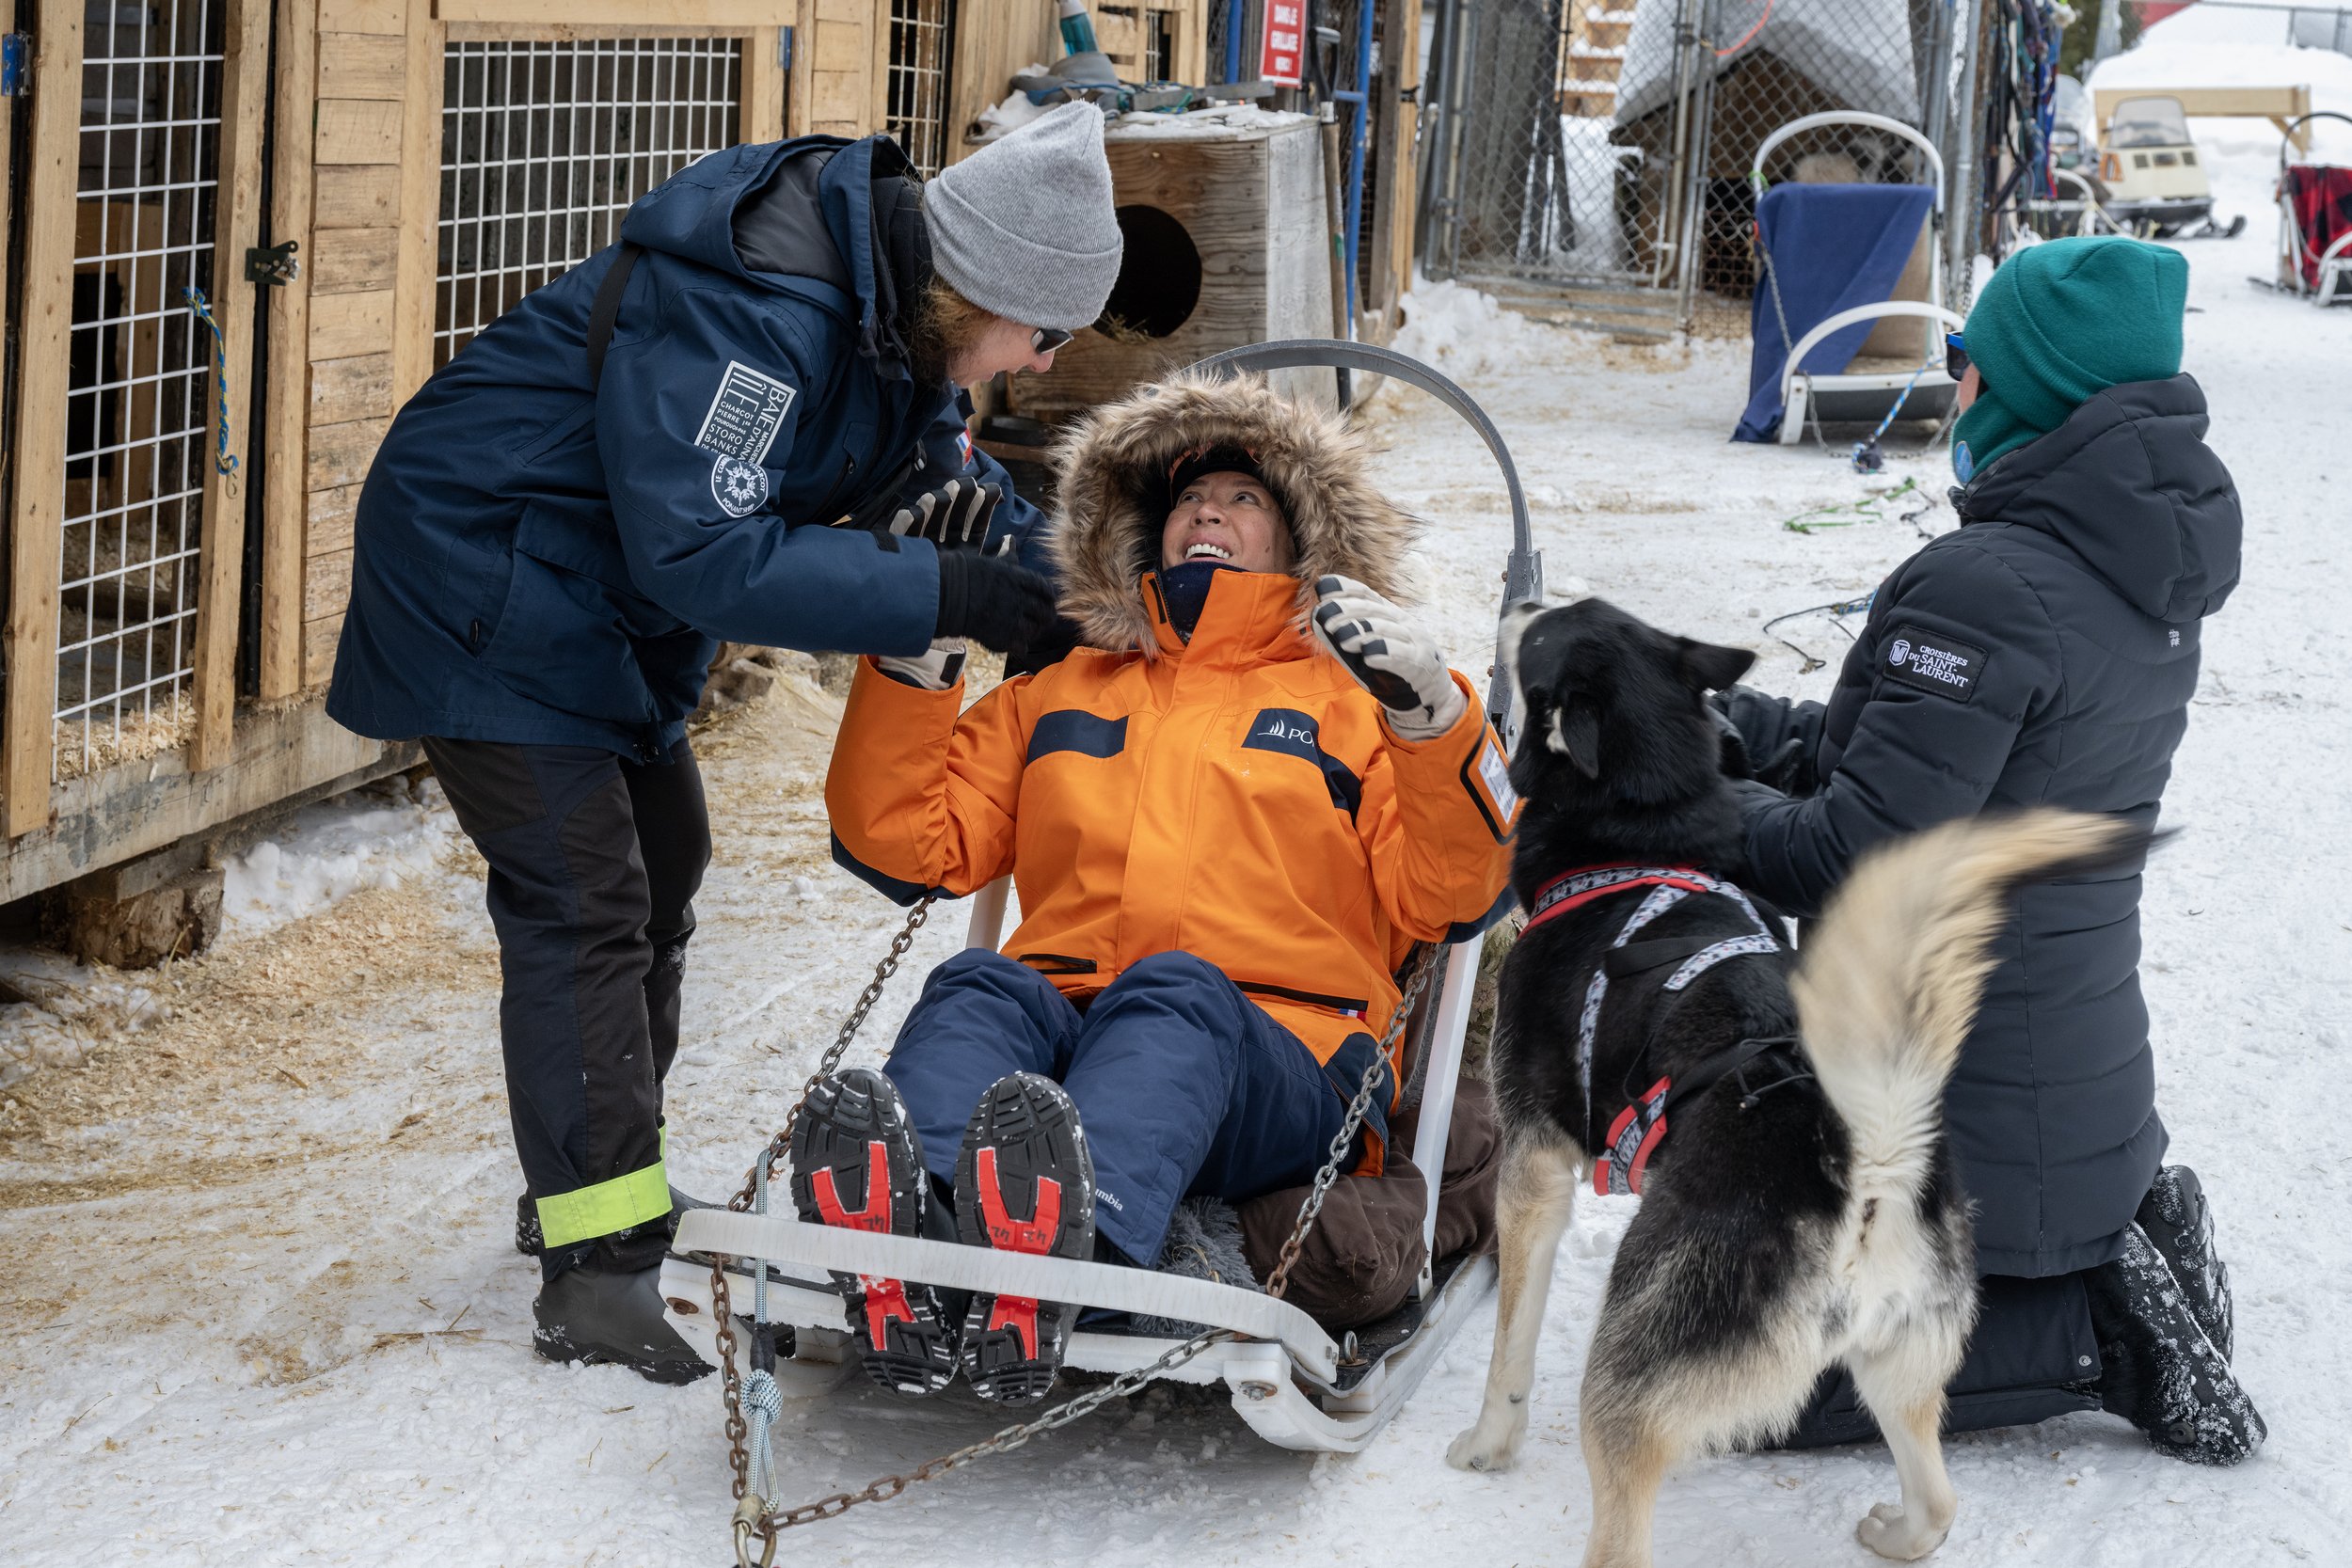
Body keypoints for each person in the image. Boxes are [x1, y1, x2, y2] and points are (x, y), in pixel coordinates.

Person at [325, 103, 1124, 1383]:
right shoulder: (759, 307)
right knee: (585, 891)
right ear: (986, 284)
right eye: (1045, 332)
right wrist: (950, 598)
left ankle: (615, 1184)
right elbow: (703, 548)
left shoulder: (901, 322)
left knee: (666, 854)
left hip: (592, 598)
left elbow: (936, 494)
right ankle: (593, 1267)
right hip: (485, 570)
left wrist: (1092, 583)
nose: (1035, 364)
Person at [800, 371, 1520, 1403]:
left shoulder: (1355, 706)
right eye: (1188, 499)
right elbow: (906, 844)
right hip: (1068, 1028)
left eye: (1243, 499)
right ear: (1144, 529)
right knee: (981, 988)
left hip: (1281, 1059)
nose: (1207, 514)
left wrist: (1430, 721)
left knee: (1174, 990)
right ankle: (908, 1234)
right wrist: (910, 668)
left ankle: (1069, 1259)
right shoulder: (1060, 690)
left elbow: (1451, 896)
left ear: (1302, 539)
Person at [1713, 235, 2263, 1464]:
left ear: (2024, 386)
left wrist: (1689, 818)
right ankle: (2127, 1237)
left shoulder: (1991, 585)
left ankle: (2096, 1326)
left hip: (1974, 1106)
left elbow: (1857, 851)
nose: (1950, 381)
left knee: (1751, 1380)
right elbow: (1910, 765)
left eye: (1967, 357)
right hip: (2066, 1090)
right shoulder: (2119, 567)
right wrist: (1711, 725)